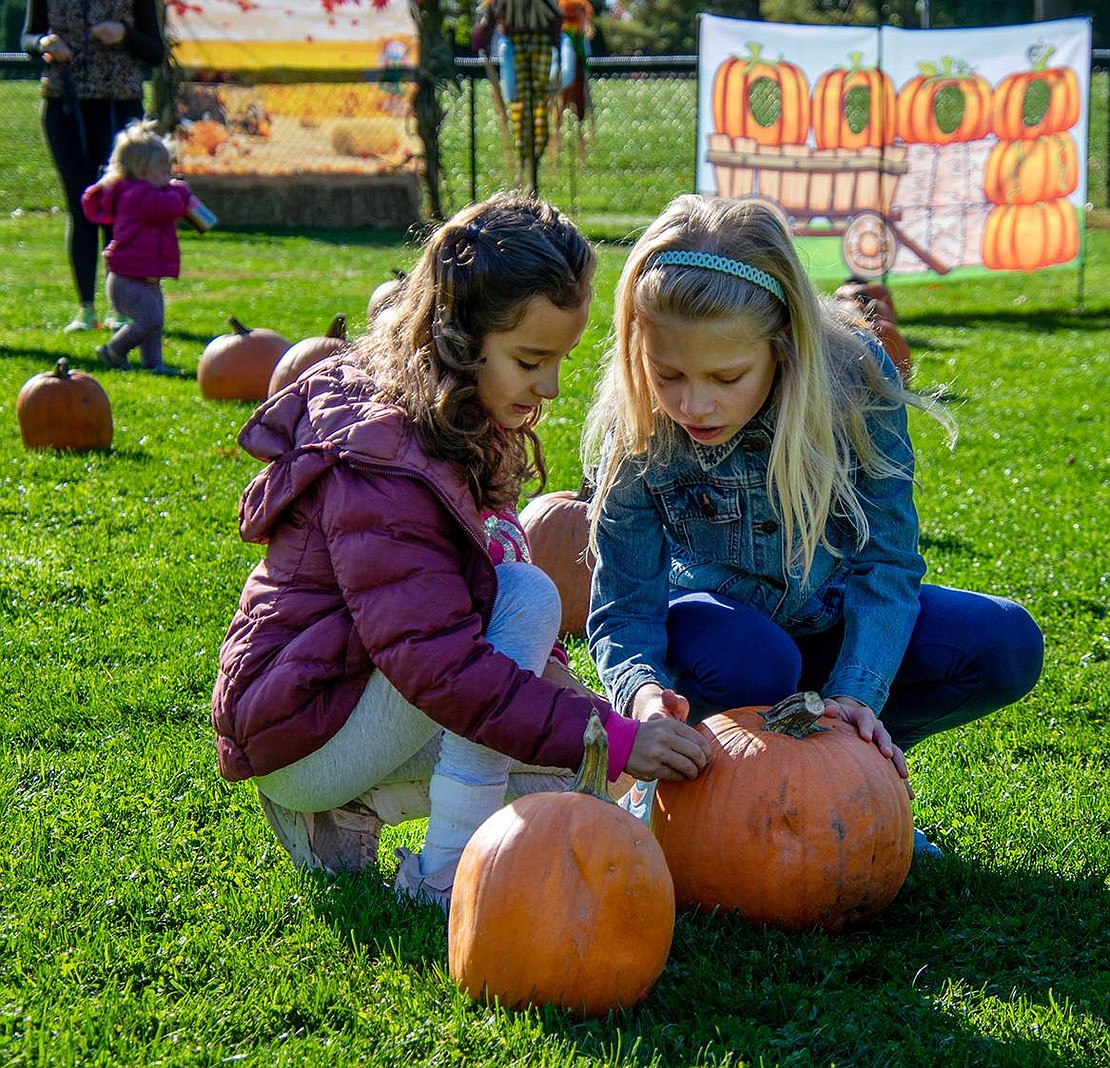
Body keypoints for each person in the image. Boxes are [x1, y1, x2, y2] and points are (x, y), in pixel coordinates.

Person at [211, 192, 711, 909]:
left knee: (584, 778)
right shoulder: (383, 469)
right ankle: (444, 874)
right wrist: (612, 732)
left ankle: (354, 810)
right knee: (536, 606)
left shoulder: (460, 419)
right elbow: (445, 667)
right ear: (457, 336)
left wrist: (587, 718)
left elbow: (486, 586)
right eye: (531, 360)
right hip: (302, 730)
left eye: (560, 359)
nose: (551, 387)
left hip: (376, 696)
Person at [584, 194, 1043, 855]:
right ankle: (686, 790)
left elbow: (888, 564)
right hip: (721, 636)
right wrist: (643, 696)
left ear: (783, 347)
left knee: (1005, 643)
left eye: (726, 375)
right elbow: (624, 605)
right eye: (668, 373)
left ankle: (844, 778)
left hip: (830, 629)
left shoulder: (854, 380)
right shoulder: (641, 429)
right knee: (757, 657)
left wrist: (857, 692)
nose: (693, 401)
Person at [22, 0, 166, 333]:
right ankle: (85, 307)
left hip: (119, 104)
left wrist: (124, 34)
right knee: (82, 203)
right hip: (64, 105)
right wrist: (44, 43)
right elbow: (28, 37)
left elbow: (155, 51)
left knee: (122, 205)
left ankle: (123, 306)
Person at [80, 120, 193, 374]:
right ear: (142, 172)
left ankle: (153, 363)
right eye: (163, 171)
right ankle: (114, 350)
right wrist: (182, 193)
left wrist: (175, 191)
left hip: (143, 276)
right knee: (148, 320)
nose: (169, 176)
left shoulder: (147, 191)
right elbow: (167, 207)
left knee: (155, 322)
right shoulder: (137, 195)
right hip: (128, 279)